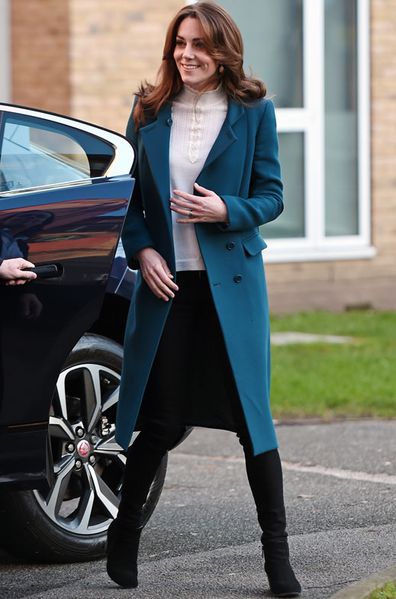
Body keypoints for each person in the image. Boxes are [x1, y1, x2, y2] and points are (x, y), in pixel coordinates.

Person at [108, 2, 301, 596]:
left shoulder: (252, 111)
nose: (186, 54)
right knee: (161, 422)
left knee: (253, 423)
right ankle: (124, 532)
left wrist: (226, 210)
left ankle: (277, 557)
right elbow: (130, 201)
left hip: (233, 290)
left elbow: (271, 195)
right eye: (179, 43)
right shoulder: (149, 111)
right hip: (170, 287)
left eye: (199, 45)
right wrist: (143, 252)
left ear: (224, 53)